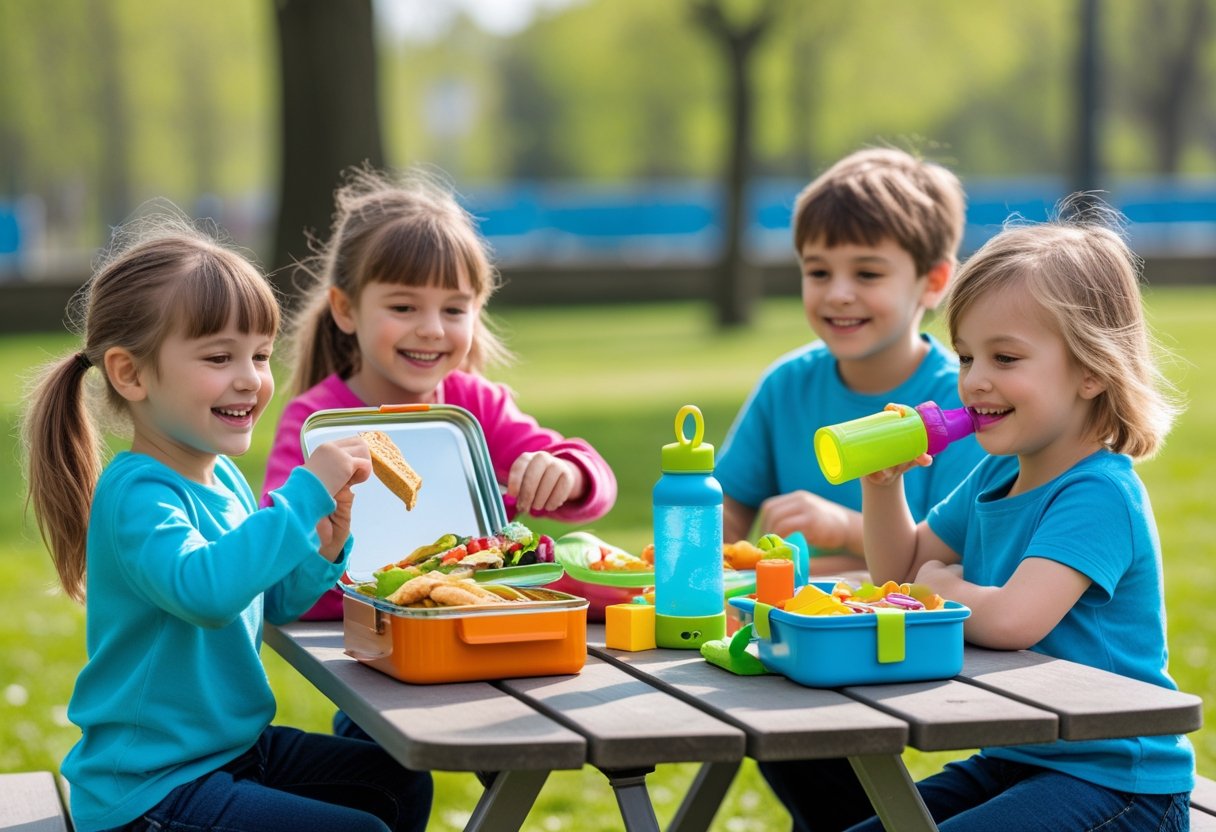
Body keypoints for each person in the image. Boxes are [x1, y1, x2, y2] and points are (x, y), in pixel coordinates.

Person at [774, 201, 1194, 831]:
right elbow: (900, 567)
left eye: (1006, 359)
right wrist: (883, 489)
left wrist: (942, 588)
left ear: (1089, 370)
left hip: (1117, 779)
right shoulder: (998, 471)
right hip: (1019, 754)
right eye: (967, 358)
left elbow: (1014, 620)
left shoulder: (1098, 493)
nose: (974, 382)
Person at [23, 216, 432, 832]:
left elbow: (273, 603)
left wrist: (326, 542)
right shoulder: (136, 494)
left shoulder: (225, 480)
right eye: (218, 357)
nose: (249, 378)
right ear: (130, 374)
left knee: (398, 780)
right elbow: (207, 593)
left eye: (261, 355)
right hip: (151, 789)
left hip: (234, 752)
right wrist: (302, 496)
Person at [263, 166, 619, 641]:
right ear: (346, 309)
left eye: (453, 309)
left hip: (487, 633)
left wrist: (568, 475)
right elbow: (280, 568)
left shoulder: (476, 407)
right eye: (404, 307)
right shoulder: (315, 422)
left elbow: (597, 480)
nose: (431, 328)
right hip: (380, 654)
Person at [716, 147, 985, 575]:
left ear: (933, 282)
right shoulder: (785, 386)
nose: (838, 293)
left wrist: (843, 529)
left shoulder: (967, 400)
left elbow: (961, 557)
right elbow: (728, 512)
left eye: (867, 274)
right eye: (819, 272)